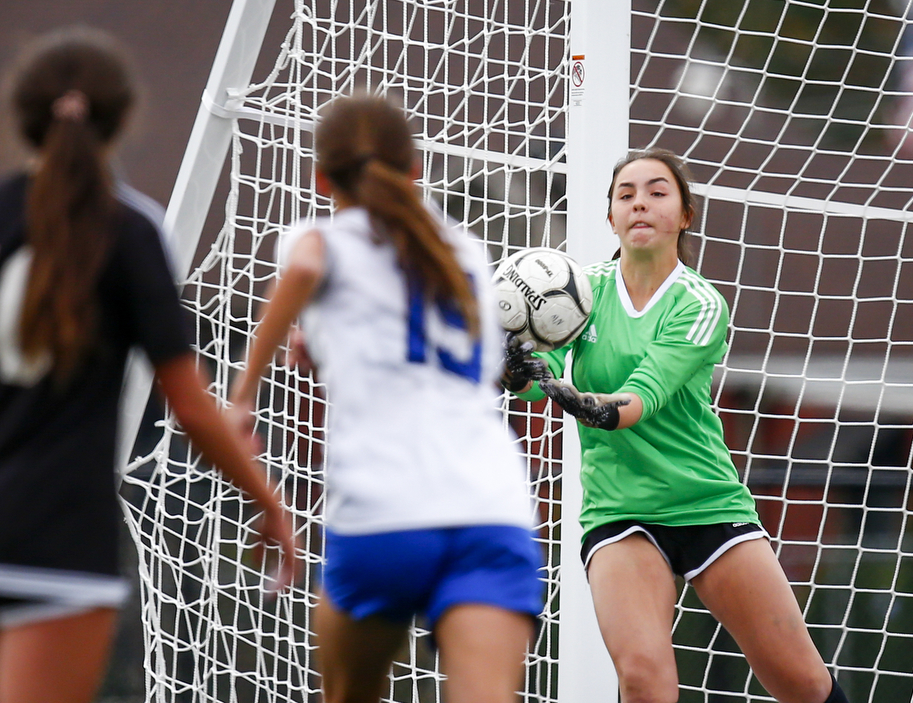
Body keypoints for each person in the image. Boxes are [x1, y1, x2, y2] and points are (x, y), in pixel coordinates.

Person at [0, 28, 295, 703]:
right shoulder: (129, 231)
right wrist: (267, 498)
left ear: (21, 116)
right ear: (123, 118)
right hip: (60, 535)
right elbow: (189, 404)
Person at [226, 93, 542, 703]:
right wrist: (322, 338)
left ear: (322, 179)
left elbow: (309, 268)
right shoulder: (466, 255)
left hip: (383, 511)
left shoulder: (320, 236)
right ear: (417, 169)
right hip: (490, 507)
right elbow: (416, 345)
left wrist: (244, 397)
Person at [503, 148, 849, 703]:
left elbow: (639, 399)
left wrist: (579, 399)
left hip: (705, 504)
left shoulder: (700, 302)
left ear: (685, 215)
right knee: (643, 678)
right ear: (610, 216)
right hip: (620, 512)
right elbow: (533, 382)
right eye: (626, 194)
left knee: (802, 682)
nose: (640, 202)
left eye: (657, 192)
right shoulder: (575, 293)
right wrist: (513, 369)